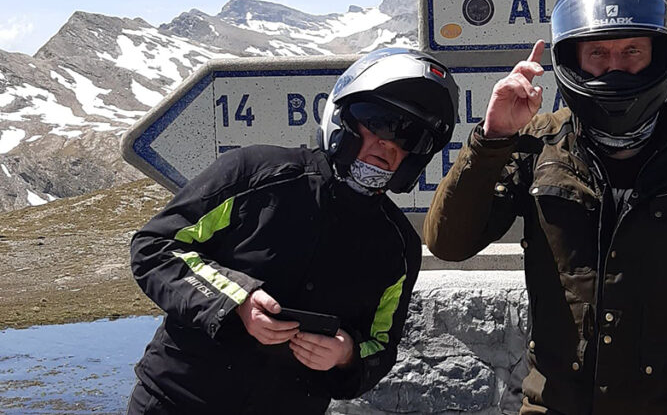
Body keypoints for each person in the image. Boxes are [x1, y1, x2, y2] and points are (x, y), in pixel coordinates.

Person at [425, 0, 667, 414]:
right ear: (572, 59)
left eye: (632, 51)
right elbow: (448, 243)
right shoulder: (536, 144)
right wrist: (492, 141)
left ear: (664, 55)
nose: (615, 68)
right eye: (598, 54)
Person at [128, 47, 459, 414]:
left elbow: (381, 346)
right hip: (175, 401)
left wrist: (346, 353)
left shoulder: (399, 246)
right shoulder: (254, 174)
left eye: (412, 138)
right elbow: (156, 247)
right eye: (380, 121)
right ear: (343, 116)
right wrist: (236, 301)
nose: (391, 144)